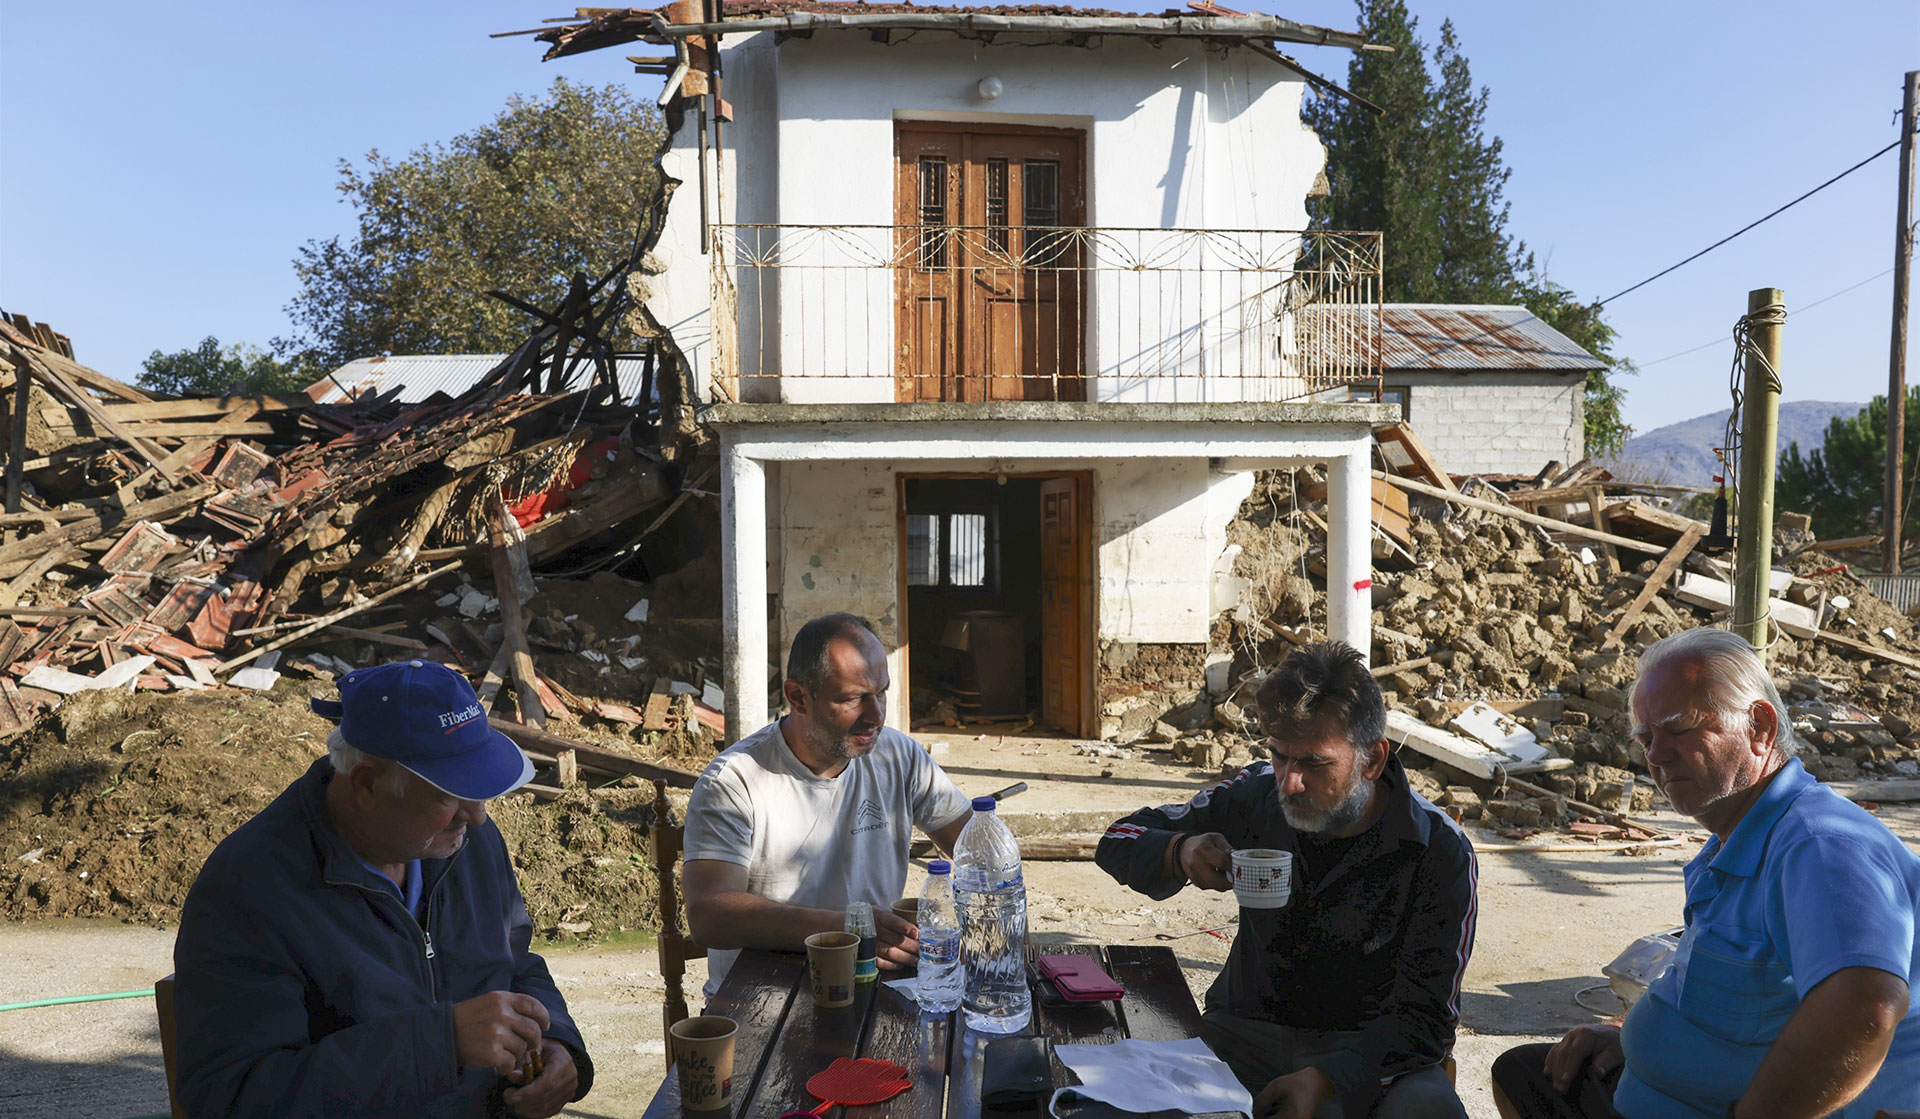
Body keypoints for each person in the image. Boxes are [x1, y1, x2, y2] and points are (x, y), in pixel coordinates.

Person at [1492, 627, 1920, 1119]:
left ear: (1759, 726)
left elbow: (1864, 1010)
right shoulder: (1737, 839)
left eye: (1678, 728)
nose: (1655, 754)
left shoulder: (1820, 846)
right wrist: (1630, 1035)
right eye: (1646, 737)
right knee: (1525, 1074)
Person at [172, 659, 592, 1119]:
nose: (477, 816)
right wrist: (439, 1044)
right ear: (367, 784)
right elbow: (231, 1099)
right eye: (449, 793)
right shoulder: (249, 889)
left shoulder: (466, 842)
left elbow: (515, 961)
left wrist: (558, 1041)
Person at [1096, 641, 1476, 1119]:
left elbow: (1426, 1020)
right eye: (1279, 756)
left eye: (1315, 763)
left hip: (1368, 1045)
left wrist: (1329, 1078)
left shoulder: (1435, 847)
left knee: (1427, 1110)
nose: (1289, 783)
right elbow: (1118, 837)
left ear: (1373, 760)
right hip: (1245, 1030)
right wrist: (1179, 850)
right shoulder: (1259, 792)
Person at [683, 612, 973, 994]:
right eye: (853, 699)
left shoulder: (897, 756)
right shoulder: (737, 780)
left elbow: (978, 849)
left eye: (881, 693)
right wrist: (844, 927)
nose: (876, 716)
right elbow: (709, 915)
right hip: (763, 997)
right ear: (798, 697)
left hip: (874, 985)